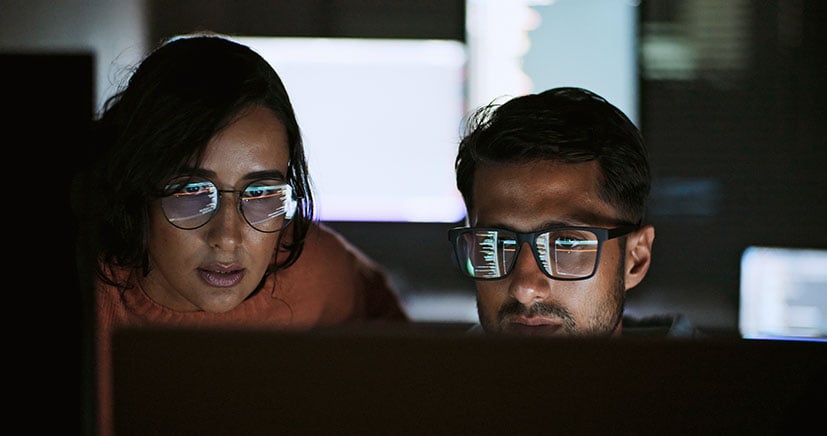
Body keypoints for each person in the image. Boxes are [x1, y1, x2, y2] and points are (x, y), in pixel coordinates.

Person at [73, 32, 410, 436]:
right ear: (137, 187)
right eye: (192, 191)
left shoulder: (315, 269)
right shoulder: (88, 296)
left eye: (261, 193)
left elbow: (404, 360)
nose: (228, 237)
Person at [448, 86, 701, 338]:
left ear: (635, 259)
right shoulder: (440, 363)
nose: (525, 289)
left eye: (566, 244)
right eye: (497, 244)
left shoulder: (714, 366)